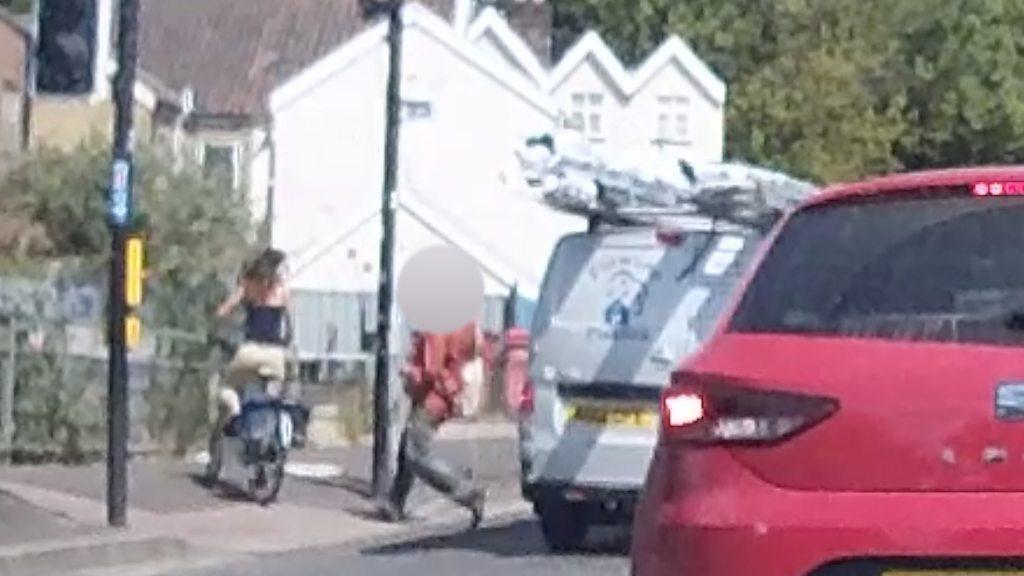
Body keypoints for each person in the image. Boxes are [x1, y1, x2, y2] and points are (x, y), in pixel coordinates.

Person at [380, 322, 487, 527]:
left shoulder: (436, 328)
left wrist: (411, 371)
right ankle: (395, 503)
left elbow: (432, 369)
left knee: (415, 452)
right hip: (442, 393)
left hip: (433, 397)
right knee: (408, 445)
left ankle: (467, 492)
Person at [206, 248, 297, 479]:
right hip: (276, 354)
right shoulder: (283, 291)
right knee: (272, 396)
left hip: (251, 351)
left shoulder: (248, 286)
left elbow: (222, 312)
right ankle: (268, 444)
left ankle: (235, 413)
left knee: (225, 389)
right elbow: (289, 326)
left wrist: (218, 330)